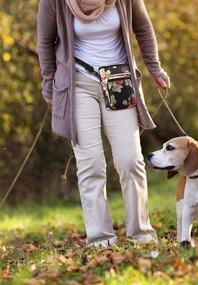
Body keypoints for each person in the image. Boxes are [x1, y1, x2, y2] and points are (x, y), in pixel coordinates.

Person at [37, 0, 170, 248]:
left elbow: (143, 28)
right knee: (91, 163)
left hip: (118, 81)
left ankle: (140, 233)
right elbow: (45, 42)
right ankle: (101, 238)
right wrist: (49, 84)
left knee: (130, 160)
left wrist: (155, 67)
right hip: (78, 85)